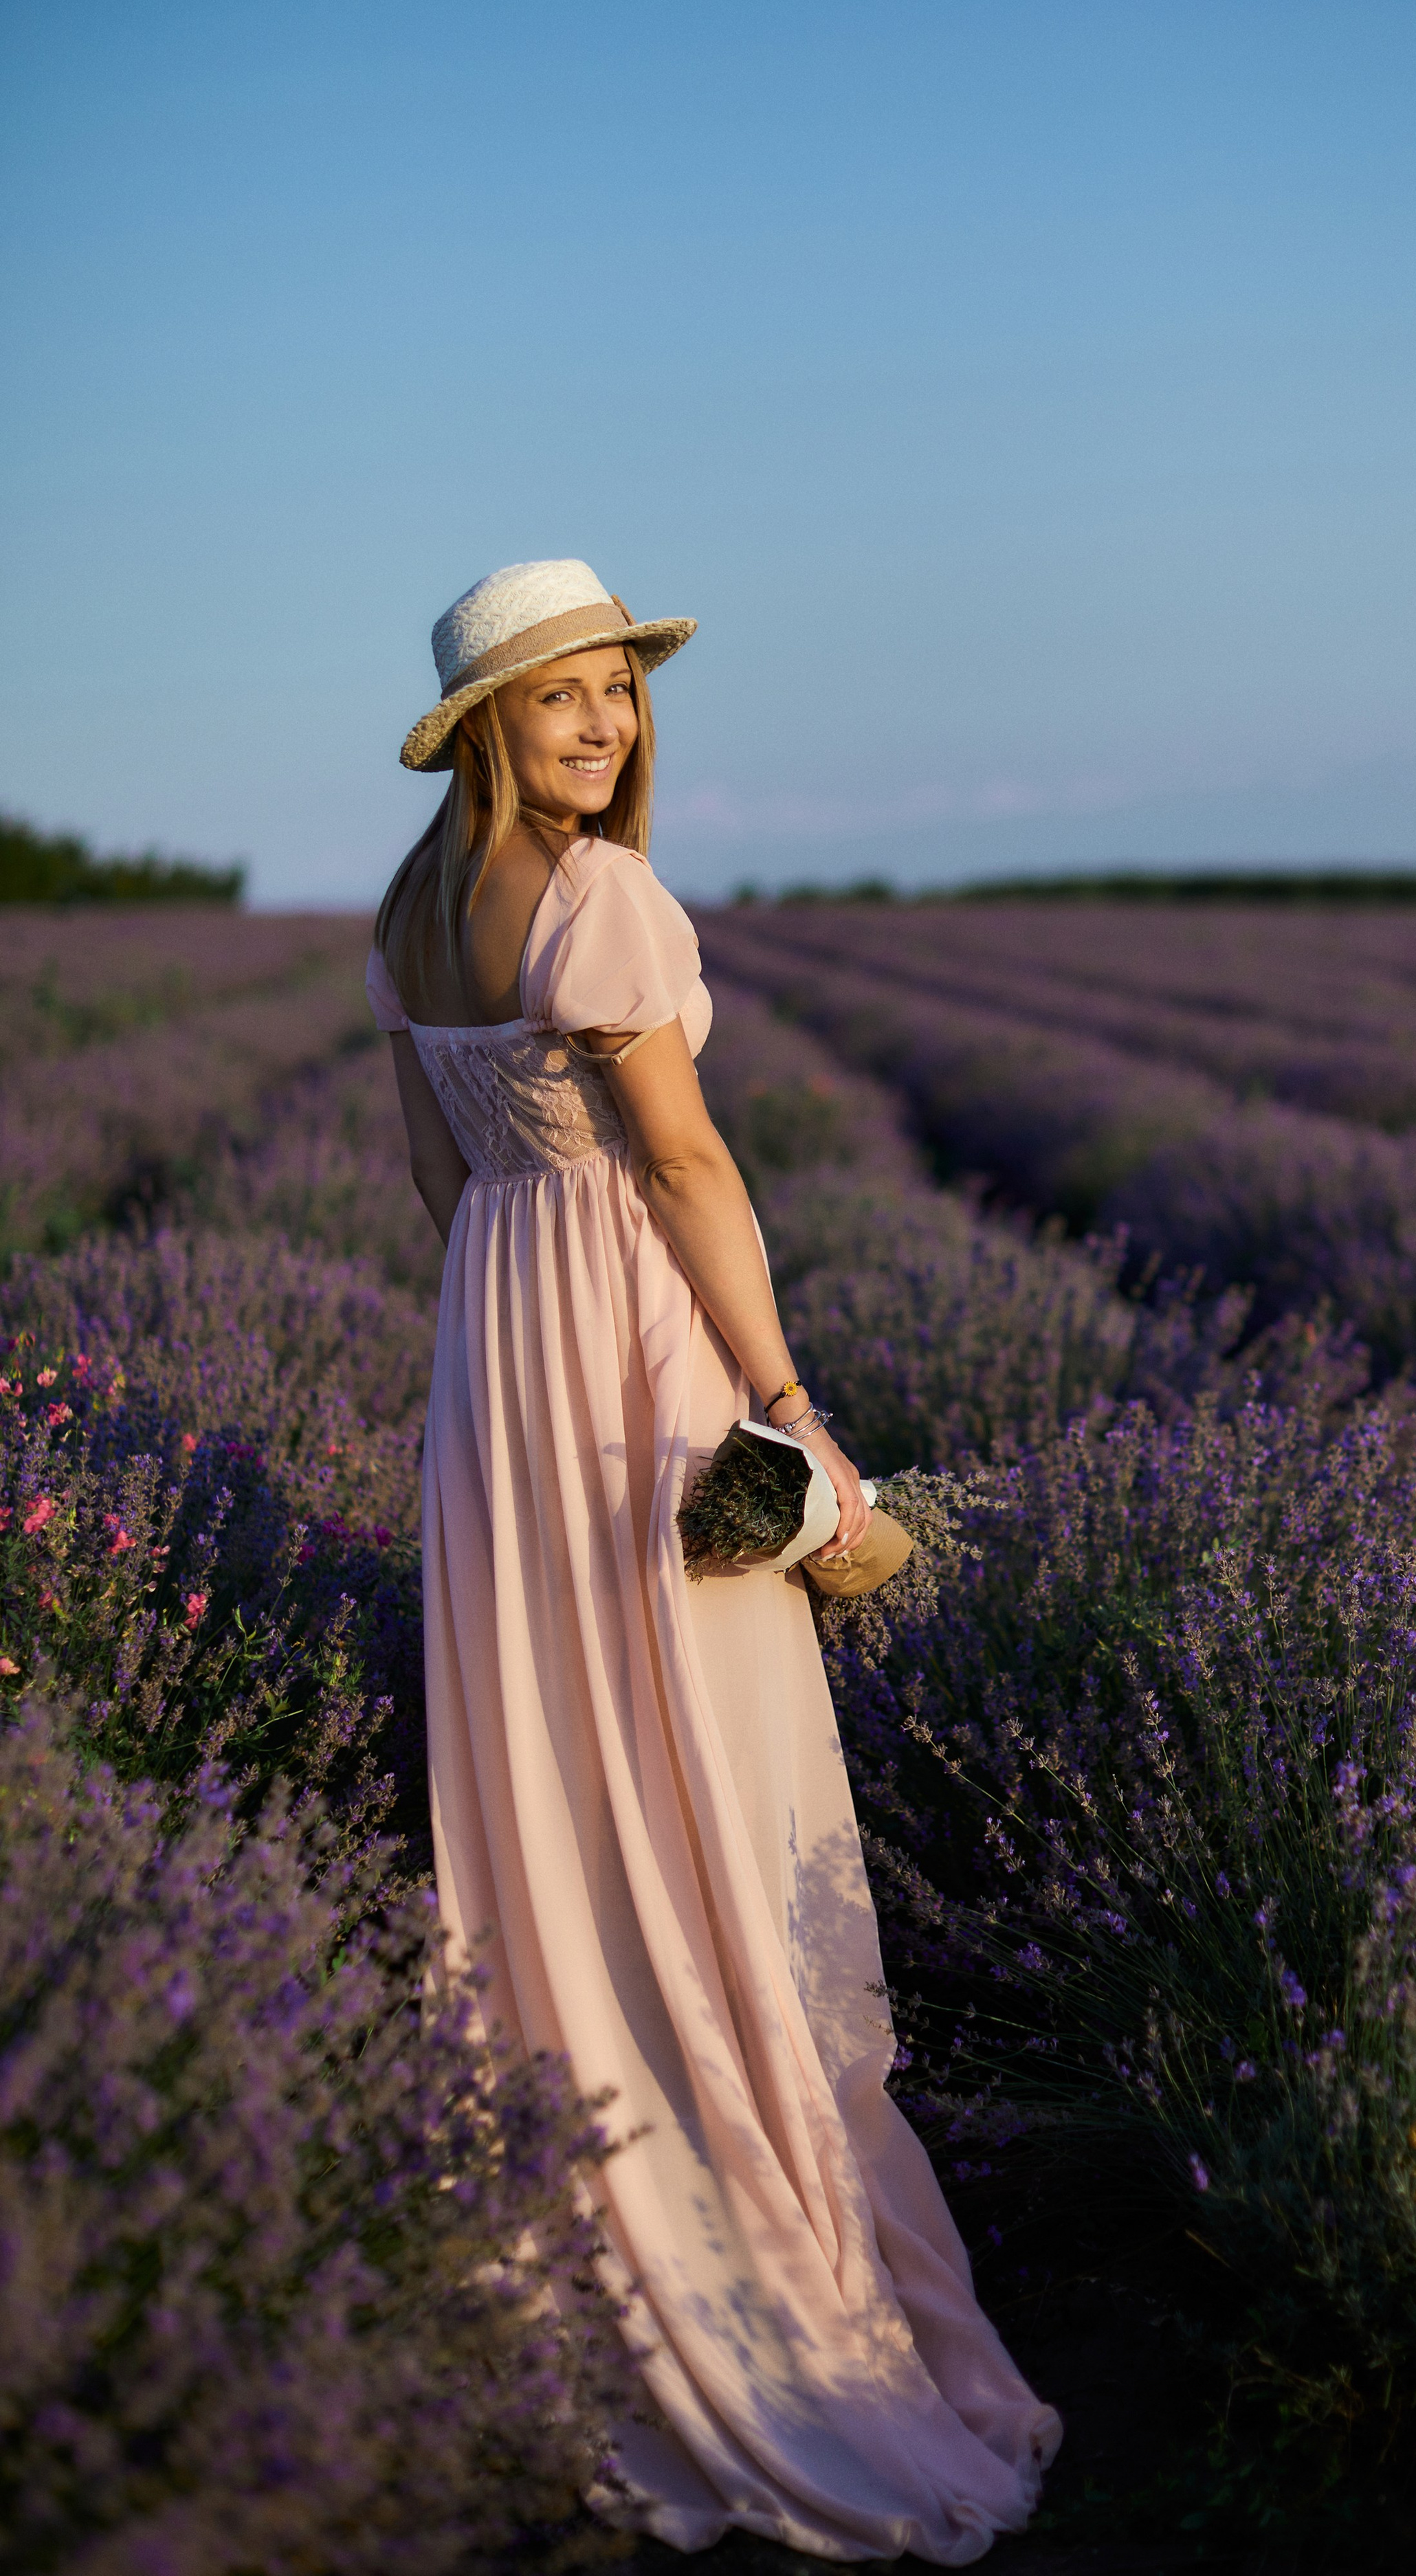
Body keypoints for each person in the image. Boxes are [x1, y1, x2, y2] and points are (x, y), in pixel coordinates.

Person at [366, 559, 1058, 2564]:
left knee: (562, 1775)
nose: (602, 725)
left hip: (497, 1352)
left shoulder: (411, 911)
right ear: (487, 718)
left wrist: (511, 1346)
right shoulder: (602, 899)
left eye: (617, 694)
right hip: (638, 1350)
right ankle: (757, 2250)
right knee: (712, 1778)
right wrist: (786, 1401)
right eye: (561, 696)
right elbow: (682, 1164)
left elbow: (441, 1178)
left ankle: (590, 2163)